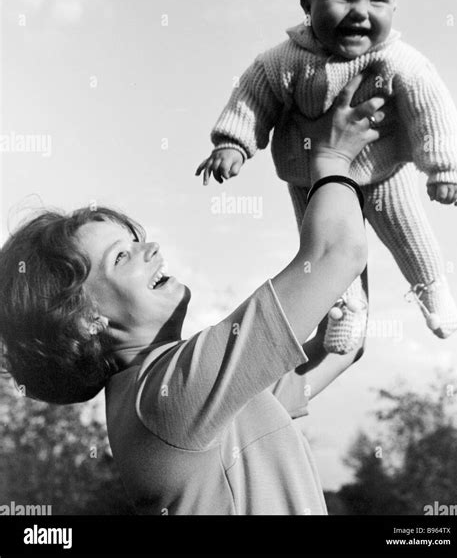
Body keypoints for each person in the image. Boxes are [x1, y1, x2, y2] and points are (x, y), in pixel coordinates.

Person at [0, 74, 383, 514]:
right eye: (121, 257)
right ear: (86, 318)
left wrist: (343, 310)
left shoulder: (173, 398)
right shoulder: (167, 395)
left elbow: (342, 350)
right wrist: (332, 156)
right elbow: (336, 254)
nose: (151, 248)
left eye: (136, 240)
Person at [197, 0, 457, 354]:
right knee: (324, 251)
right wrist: (232, 142)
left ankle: (431, 287)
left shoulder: (397, 60)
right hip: (311, 177)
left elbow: (432, 110)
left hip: (381, 172)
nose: (361, 11)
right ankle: (346, 312)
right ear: (308, 3)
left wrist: (445, 169)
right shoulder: (283, 60)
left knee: (409, 233)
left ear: (394, 7)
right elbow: (252, 96)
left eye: (377, 0)